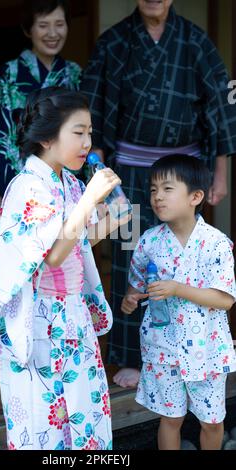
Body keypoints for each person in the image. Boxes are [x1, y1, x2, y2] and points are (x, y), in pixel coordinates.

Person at [80, 0, 236, 389]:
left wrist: (220, 172)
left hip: (183, 175)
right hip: (129, 172)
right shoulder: (114, 42)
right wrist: (97, 173)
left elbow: (220, 105)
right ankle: (132, 356)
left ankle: (189, 353)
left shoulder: (196, 42)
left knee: (184, 259)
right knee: (131, 257)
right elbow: (93, 107)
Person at [0, 87, 130, 450]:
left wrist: (112, 221)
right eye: (78, 132)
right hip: (39, 320)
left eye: (90, 132)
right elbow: (53, 255)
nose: (88, 142)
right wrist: (89, 199)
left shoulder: (68, 182)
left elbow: (78, 242)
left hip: (72, 314)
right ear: (45, 137)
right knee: (45, 424)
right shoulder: (27, 187)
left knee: (84, 416)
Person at [121, 154, 236, 450]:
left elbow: (224, 300)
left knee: (212, 422)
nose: (157, 197)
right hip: (163, 347)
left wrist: (177, 288)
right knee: (169, 418)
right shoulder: (149, 241)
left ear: (196, 196)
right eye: (153, 189)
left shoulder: (216, 243)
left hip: (207, 350)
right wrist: (132, 298)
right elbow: (137, 285)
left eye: (167, 189)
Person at [0, 0, 81, 220]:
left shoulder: (74, 74)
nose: (52, 33)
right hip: (17, 183)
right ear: (27, 29)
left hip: (65, 183)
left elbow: (83, 130)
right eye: (43, 25)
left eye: (59, 24)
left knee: (67, 253)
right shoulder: (8, 74)